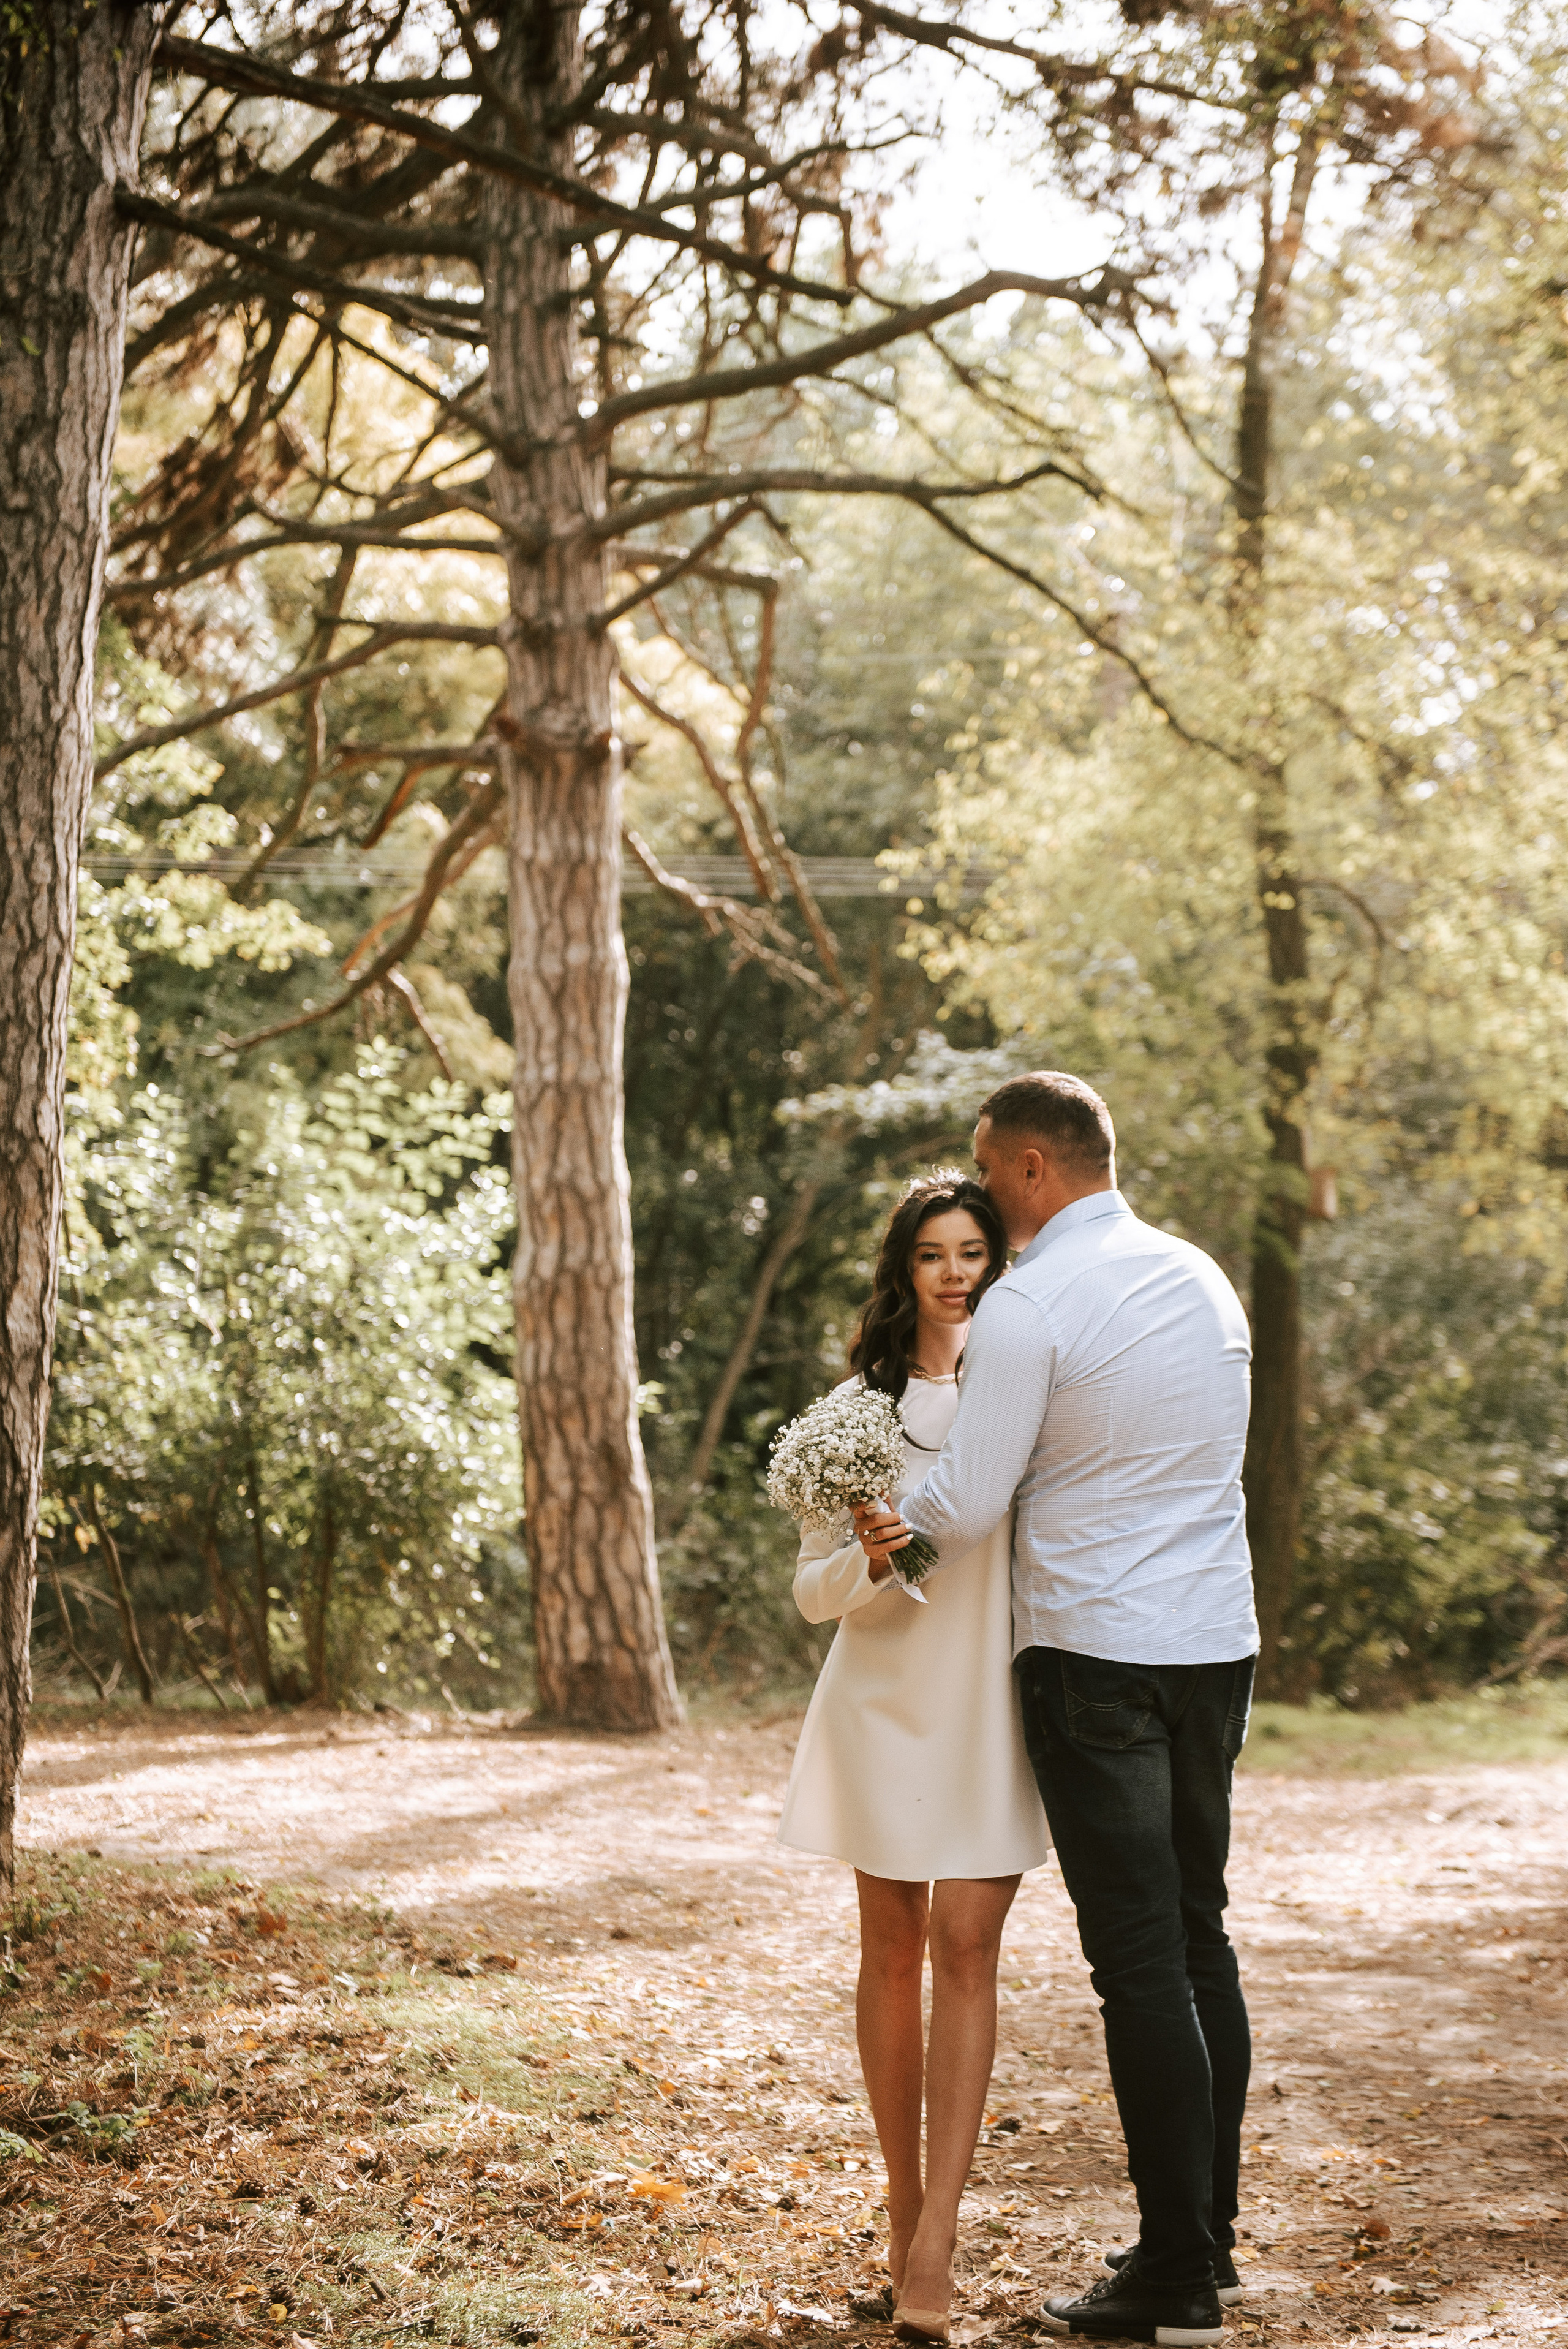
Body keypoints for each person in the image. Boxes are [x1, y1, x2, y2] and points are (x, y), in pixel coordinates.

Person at [856, 1075, 1258, 2349]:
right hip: (1215, 1646)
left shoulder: (1030, 1302)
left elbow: (966, 1502)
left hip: (1097, 1657)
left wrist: (880, 1530)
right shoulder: (1199, 1278)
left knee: (1136, 1958)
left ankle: (1174, 2279)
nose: (993, 1215)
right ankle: (1209, 2240)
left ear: (1028, 1167)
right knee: (1198, 1938)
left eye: (992, 1175)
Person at [777, 1171, 1049, 2345]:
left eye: (972, 1251)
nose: (952, 1271)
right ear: (905, 1269)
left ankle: (942, 2230)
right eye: (932, 1252)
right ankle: (902, 2217)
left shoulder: (1035, 1391)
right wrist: (876, 1557)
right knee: (890, 1951)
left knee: (967, 1942)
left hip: (990, 1696)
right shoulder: (857, 1408)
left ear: (999, 1263)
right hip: (881, 1699)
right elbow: (811, 1591)